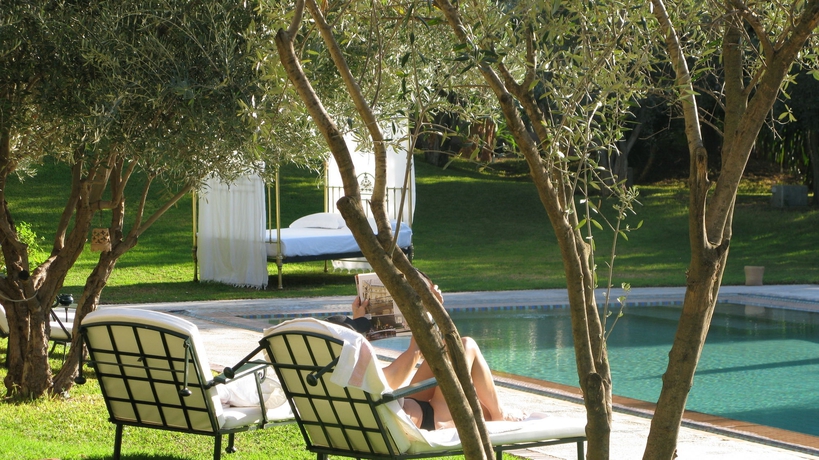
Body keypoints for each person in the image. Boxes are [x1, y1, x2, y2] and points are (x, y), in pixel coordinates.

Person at [328, 272, 523, 431]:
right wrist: (432, 311)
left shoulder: (329, 370)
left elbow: (420, 352)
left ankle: (496, 413)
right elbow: (409, 360)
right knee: (465, 345)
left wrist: (358, 324)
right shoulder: (360, 373)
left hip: (405, 407)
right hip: (425, 418)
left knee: (450, 350)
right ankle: (499, 415)